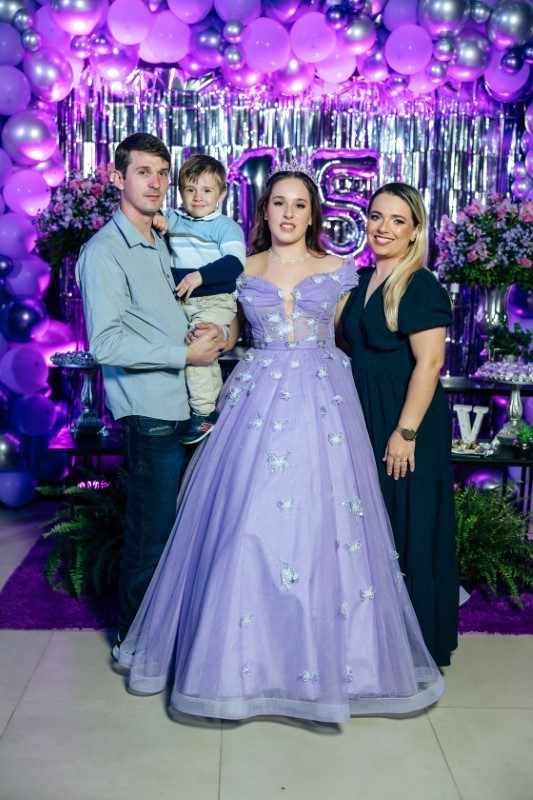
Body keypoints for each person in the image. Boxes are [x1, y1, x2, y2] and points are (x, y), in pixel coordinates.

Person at [117, 163, 444, 723]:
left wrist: (401, 420)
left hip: (324, 399)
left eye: (299, 204)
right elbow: (232, 330)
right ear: (264, 211)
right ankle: (239, 663)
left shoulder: (341, 270)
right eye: (278, 203)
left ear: (313, 214)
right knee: (246, 522)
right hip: (257, 396)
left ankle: (334, 662)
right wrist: (217, 333)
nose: (288, 213)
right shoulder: (242, 268)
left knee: (327, 523)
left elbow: (357, 338)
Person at [75, 133, 229, 659]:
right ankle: (135, 643)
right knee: (152, 533)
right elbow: (105, 343)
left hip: (186, 405)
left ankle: (165, 634)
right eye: (144, 172)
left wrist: (215, 333)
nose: (157, 183)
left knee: (186, 528)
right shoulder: (104, 252)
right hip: (151, 412)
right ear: (118, 178)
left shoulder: (164, 238)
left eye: (163, 173)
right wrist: (184, 355)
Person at [341, 182, 458, 667]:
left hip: (406, 421)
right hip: (365, 415)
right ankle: (372, 641)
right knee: (373, 523)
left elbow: (430, 363)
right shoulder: (360, 279)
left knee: (408, 522)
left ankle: (414, 647)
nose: (383, 228)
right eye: (376, 216)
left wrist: (405, 433)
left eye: (397, 220)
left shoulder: (420, 285)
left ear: (414, 232)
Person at [157, 154, 246, 445]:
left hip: (214, 301)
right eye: (190, 189)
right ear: (180, 191)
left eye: (207, 190)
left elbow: (234, 263)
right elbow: (153, 224)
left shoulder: (225, 227)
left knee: (198, 349)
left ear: (221, 194)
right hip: (182, 303)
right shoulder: (174, 219)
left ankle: (204, 412)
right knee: (190, 356)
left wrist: (200, 276)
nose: (198, 197)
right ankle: (209, 405)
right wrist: (155, 218)